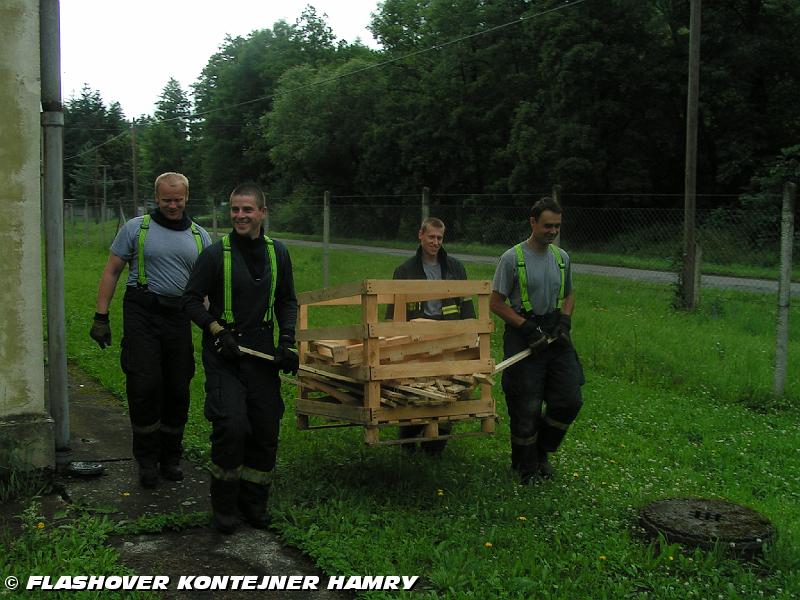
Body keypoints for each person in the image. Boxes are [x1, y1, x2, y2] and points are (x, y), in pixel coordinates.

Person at [182, 183, 298, 534]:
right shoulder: (216, 255)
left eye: (247, 210)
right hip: (226, 354)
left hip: (262, 353)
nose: (240, 216)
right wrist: (217, 329)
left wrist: (288, 342)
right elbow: (189, 299)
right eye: (234, 209)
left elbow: (287, 301)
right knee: (231, 426)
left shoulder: (278, 253)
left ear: (263, 213)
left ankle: (254, 505)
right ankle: (225, 508)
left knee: (265, 428)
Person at [89, 172, 212, 488]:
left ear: (186, 197)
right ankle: (146, 461)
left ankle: (170, 458)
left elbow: (205, 291)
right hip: (142, 312)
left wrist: (214, 327)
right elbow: (112, 271)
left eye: (178, 199)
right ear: (156, 198)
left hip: (178, 318)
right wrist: (101, 316)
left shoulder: (200, 237)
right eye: (166, 200)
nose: (172, 205)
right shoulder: (136, 229)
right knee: (145, 387)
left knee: (177, 388)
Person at [489, 197, 583, 484]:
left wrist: (565, 320)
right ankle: (525, 466)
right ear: (533, 222)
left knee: (569, 399)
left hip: (554, 332)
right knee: (525, 404)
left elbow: (569, 294)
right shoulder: (511, 258)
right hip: (523, 332)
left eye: (556, 226)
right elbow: (496, 303)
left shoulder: (562, 257)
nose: (552, 231)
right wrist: (527, 328)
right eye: (547, 226)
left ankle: (542, 449)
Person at [386, 217, 475, 454]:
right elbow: (393, 315)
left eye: (439, 238)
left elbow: (467, 306)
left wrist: (471, 335)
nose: (435, 242)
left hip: (448, 339)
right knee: (416, 391)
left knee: (450, 390)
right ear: (421, 235)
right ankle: (409, 439)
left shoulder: (455, 268)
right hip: (415, 341)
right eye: (431, 237)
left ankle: (435, 446)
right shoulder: (405, 271)